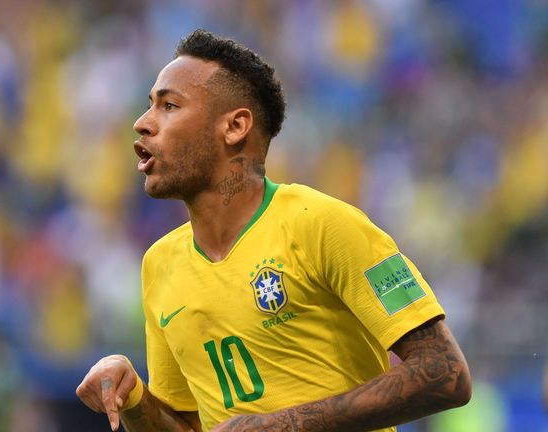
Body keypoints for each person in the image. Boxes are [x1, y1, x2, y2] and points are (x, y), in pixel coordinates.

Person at [76, 29, 471, 432]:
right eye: (149, 107)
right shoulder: (159, 265)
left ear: (234, 127)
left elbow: (444, 373)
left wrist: (283, 425)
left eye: (169, 106)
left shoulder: (324, 224)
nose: (142, 123)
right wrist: (134, 397)